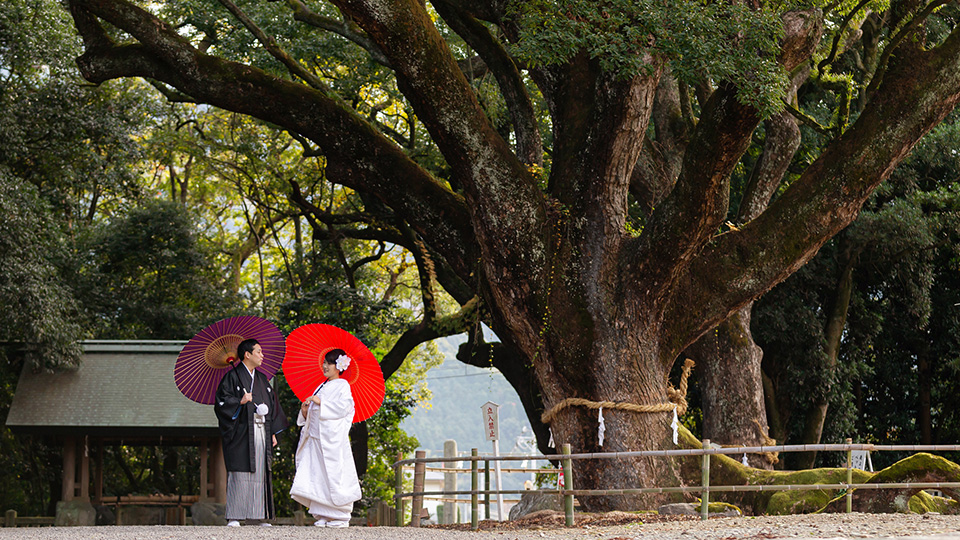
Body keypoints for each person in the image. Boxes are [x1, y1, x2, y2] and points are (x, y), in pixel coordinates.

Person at [214, 338, 289, 527]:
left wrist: (272, 432)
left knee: (261, 472)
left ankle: (259, 515)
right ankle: (236, 515)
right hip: (240, 432)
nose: (262, 355)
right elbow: (221, 402)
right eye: (259, 352)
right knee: (240, 470)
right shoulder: (232, 377)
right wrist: (239, 401)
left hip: (262, 430)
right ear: (247, 354)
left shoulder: (263, 380)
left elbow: (273, 405)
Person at [290, 348, 362, 528]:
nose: (325, 366)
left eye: (329, 363)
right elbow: (312, 414)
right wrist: (305, 411)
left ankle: (339, 515)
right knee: (317, 476)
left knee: (334, 475)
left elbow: (345, 408)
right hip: (316, 438)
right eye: (324, 362)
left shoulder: (342, 385)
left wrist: (322, 402)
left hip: (332, 440)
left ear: (339, 366)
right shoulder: (322, 385)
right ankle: (322, 513)